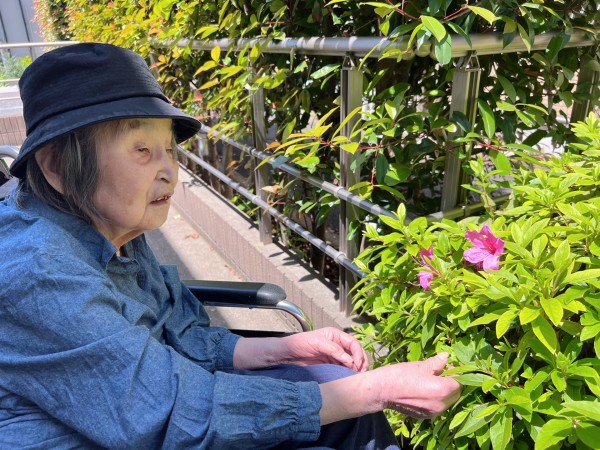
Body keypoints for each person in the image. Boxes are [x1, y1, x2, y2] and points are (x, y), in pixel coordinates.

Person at [0, 43, 461, 449]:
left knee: (343, 396)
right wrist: (375, 390)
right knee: (350, 402)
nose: (169, 171)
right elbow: (165, 413)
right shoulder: (37, 272)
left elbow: (182, 336)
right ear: (57, 166)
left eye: (169, 149)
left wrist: (289, 349)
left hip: (157, 407)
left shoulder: (110, 222)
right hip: (103, 432)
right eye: (142, 150)